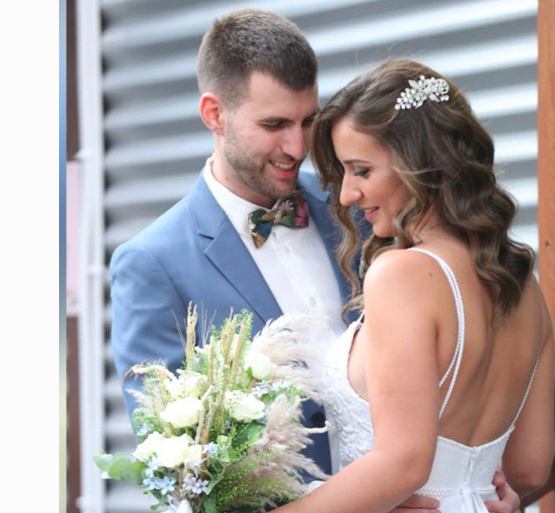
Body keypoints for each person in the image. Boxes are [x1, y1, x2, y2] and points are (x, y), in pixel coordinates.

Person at [110, 8, 521, 513]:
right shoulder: (152, 265)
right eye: (274, 124)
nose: (299, 147)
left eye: (308, 121)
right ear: (214, 114)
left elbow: (458, 348)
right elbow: (177, 476)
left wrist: (474, 487)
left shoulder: (363, 204)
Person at [270, 58, 555, 513]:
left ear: (421, 164)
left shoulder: (401, 275)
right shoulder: (523, 288)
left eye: (361, 170)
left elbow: (403, 465)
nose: (346, 195)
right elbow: (530, 469)